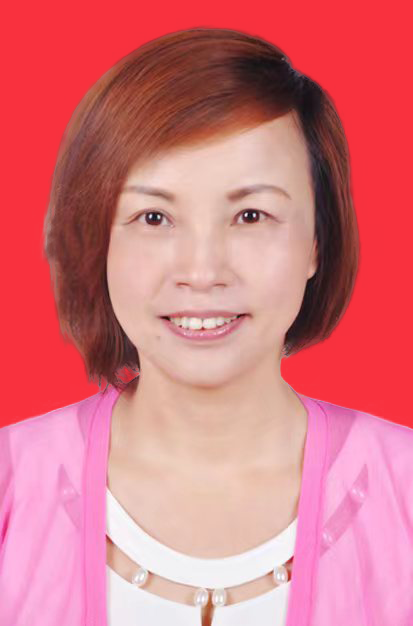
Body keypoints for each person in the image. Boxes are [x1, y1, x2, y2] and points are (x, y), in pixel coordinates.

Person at [1, 27, 412, 626]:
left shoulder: (405, 489)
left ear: (317, 244)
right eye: (153, 217)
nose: (201, 271)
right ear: (96, 242)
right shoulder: (11, 484)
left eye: (251, 215)